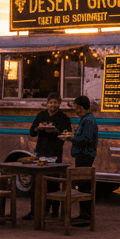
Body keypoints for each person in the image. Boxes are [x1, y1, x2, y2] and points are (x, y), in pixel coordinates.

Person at [24, 92, 71, 220]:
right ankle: (34, 211)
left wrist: (56, 131)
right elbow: (32, 132)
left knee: (54, 183)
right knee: (36, 183)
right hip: (40, 153)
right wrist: (38, 129)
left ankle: (54, 211)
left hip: (55, 155)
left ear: (60, 104)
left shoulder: (64, 118)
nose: (53, 105)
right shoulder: (41, 115)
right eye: (51, 102)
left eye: (55, 102)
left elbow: (67, 135)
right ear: (47, 103)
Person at [60, 94, 98, 227]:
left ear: (80, 107)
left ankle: (85, 217)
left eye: (75, 106)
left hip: (85, 157)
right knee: (83, 186)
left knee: (84, 187)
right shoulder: (85, 119)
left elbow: (86, 139)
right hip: (82, 156)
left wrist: (70, 138)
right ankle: (84, 215)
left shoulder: (88, 121)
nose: (74, 109)